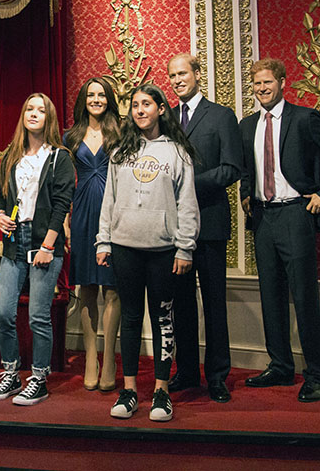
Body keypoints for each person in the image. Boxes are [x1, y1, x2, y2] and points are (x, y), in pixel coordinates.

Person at [239, 58, 320, 403]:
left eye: (267, 83)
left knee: (304, 296)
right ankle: (280, 365)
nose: (262, 89)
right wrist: (247, 192)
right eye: (257, 84)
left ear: (283, 82)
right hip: (263, 219)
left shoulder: (304, 118)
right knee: (270, 295)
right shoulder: (247, 126)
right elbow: (247, 166)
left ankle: (316, 374)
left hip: (295, 215)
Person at [96, 83, 199, 422]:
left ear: (160, 109)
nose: (139, 110)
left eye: (146, 104)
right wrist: (104, 240)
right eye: (135, 106)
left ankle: (161, 391)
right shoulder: (119, 152)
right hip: (125, 246)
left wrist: (185, 247)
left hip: (164, 250)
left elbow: (187, 204)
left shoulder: (178, 152)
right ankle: (128, 391)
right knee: (129, 318)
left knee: (162, 320)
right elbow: (108, 200)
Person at [0, 93, 75, 407]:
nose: (34, 113)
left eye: (41, 110)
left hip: (44, 241)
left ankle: (38, 378)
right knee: (2, 314)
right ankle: (11, 373)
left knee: (38, 316)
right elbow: (1, 198)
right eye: (29, 108)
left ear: (48, 118)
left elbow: (61, 205)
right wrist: (0, 217)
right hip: (14, 240)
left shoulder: (58, 157)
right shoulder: (12, 155)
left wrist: (48, 245)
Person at [166, 54, 243, 403]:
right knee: (180, 303)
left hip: (210, 224)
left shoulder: (222, 116)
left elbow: (231, 169)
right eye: (172, 75)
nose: (177, 79)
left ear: (198, 74)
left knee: (213, 304)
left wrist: (188, 183)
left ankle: (216, 376)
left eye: (183, 73)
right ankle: (186, 372)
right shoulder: (166, 117)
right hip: (173, 229)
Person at [62, 78, 122, 392]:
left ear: (109, 99)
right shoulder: (69, 136)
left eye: (101, 95)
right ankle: (90, 357)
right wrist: (64, 219)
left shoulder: (122, 133)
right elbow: (61, 183)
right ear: (83, 100)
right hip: (83, 212)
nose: (96, 99)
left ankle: (110, 357)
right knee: (86, 286)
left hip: (114, 213)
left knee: (112, 288)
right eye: (90, 95)